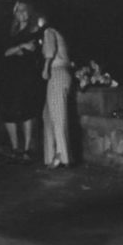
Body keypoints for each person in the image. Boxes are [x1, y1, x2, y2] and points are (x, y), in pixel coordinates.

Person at [0, 1, 45, 161]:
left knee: (26, 111)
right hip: (10, 76)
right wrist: (20, 48)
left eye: (24, 10)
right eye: (18, 11)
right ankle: (15, 148)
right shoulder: (11, 32)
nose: (21, 13)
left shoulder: (34, 30)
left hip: (27, 75)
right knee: (9, 112)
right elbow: (4, 52)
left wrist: (19, 49)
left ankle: (26, 149)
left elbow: (33, 49)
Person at [39, 14, 72, 168]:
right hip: (59, 73)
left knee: (57, 115)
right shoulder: (56, 32)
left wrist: (45, 69)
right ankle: (51, 154)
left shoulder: (49, 31)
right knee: (47, 115)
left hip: (57, 72)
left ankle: (62, 156)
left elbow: (50, 51)